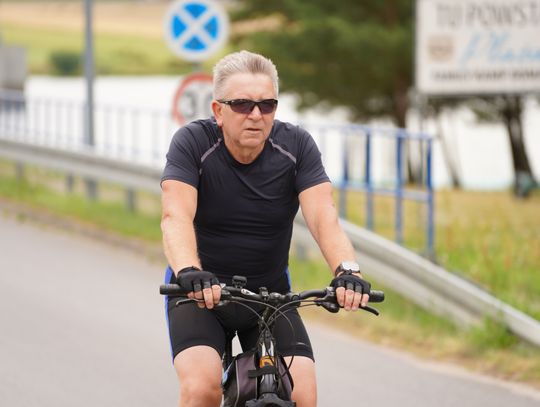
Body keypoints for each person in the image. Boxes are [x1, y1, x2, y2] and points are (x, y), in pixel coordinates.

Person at [161, 50, 371, 407]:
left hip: (269, 295)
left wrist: (347, 270)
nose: (256, 115)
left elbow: (323, 216)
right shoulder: (193, 143)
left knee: (303, 393)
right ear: (218, 111)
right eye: (242, 105)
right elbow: (175, 215)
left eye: (267, 105)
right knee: (201, 389)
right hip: (200, 293)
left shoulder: (296, 146)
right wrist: (189, 271)